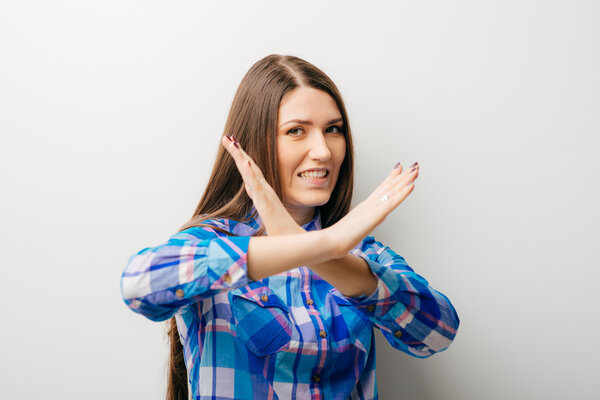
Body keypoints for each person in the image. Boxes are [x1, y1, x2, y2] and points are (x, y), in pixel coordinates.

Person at [120, 54, 459, 400]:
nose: (323, 151)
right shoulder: (215, 241)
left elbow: (438, 332)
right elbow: (138, 285)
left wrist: (326, 249)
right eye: (296, 131)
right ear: (255, 141)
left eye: (333, 130)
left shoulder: (362, 254)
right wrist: (324, 243)